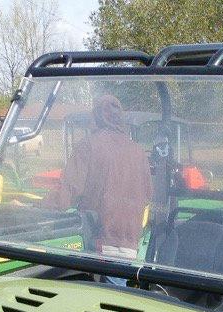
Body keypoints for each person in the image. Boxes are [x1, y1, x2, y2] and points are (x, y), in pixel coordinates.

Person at [48, 95, 152, 259]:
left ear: (95, 117)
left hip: (99, 241)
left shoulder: (88, 146)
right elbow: (147, 195)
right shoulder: (138, 151)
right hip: (130, 243)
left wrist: (34, 209)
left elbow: (67, 192)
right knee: (118, 284)